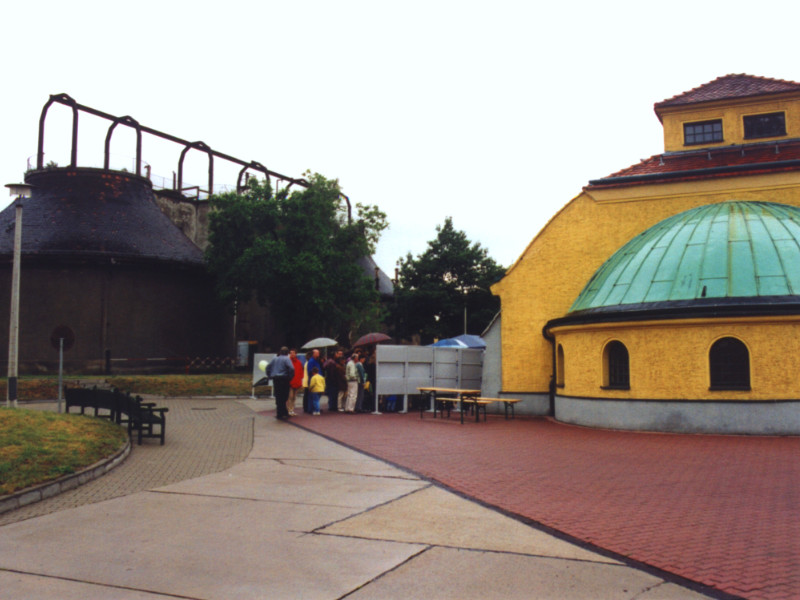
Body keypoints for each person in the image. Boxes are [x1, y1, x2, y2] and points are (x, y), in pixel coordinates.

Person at [266, 347, 294, 420]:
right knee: (284, 396)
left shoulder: (275, 359)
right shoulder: (286, 359)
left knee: (278, 396)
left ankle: (280, 413)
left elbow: (268, 367)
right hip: (284, 379)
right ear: (287, 353)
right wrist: (290, 376)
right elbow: (291, 368)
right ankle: (283, 412)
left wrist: (269, 375)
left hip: (276, 379)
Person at [304, 349, 322, 414]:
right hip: (314, 380)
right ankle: (311, 409)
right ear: (313, 353)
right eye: (317, 353)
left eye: (318, 353)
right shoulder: (311, 361)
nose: (318, 354)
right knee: (313, 395)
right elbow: (310, 371)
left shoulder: (316, 361)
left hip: (317, 380)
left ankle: (314, 408)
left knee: (315, 395)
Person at [287, 348, 303, 417]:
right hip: (290, 382)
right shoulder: (288, 361)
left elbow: (300, 373)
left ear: (296, 354)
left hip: (296, 382)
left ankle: (292, 409)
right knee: (290, 397)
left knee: (294, 397)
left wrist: (300, 381)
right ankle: (289, 410)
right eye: (291, 353)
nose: (292, 354)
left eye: (293, 353)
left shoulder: (298, 362)